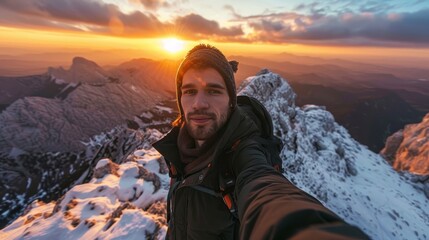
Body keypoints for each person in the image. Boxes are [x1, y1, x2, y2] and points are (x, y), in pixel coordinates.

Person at [153, 44, 369, 240]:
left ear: (231, 101)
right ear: (180, 101)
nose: (199, 103)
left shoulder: (244, 153)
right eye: (189, 91)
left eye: (213, 91)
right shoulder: (180, 151)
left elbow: (265, 189)